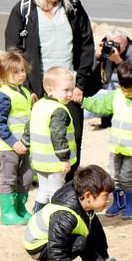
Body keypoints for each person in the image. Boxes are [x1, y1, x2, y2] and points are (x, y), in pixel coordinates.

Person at [4, 0, 94, 180]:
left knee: (72, 137)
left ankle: (70, 184)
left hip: (69, 87)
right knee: (40, 135)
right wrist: (26, 87)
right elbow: (13, 52)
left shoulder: (73, 8)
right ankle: (39, 180)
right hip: (38, 87)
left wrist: (80, 83)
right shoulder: (23, 10)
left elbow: (86, 46)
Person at [23, 164, 132, 261]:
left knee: (91, 225)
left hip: (53, 241)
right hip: (40, 246)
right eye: (105, 197)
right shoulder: (65, 215)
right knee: (79, 241)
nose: (108, 201)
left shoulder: (83, 203)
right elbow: (56, 251)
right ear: (88, 196)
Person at [80, 61, 132, 219]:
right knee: (114, 177)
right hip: (116, 146)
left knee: (126, 177)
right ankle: (118, 201)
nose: (127, 92)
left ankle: (130, 203)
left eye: (130, 90)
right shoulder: (117, 95)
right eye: (124, 88)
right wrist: (83, 101)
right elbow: (99, 106)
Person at [0, 49, 34, 225]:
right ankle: (8, 213)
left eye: (22, 70)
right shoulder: (2, 95)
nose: (21, 75)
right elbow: (0, 123)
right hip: (7, 147)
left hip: (24, 144)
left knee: (26, 176)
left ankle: (20, 209)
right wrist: (14, 143)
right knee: (9, 178)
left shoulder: (24, 92)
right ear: (3, 74)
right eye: (15, 72)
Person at [22, 67, 76, 212]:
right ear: (50, 89)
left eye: (72, 89)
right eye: (66, 90)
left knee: (43, 190)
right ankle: (54, 218)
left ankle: (38, 214)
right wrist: (64, 159)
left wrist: (25, 143)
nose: (70, 94)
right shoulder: (58, 110)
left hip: (40, 160)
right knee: (56, 192)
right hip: (55, 162)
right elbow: (58, 136)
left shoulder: (39, 104)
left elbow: (29, 126)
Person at [85, 26, 132, 129]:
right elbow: (86, 71)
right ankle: (106, 115)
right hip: (103, 89)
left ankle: (109, 115)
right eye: (111, 43)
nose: (114, 48)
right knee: (85, 114)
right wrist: (95, 57)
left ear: (126, 43)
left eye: (118, 44)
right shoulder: (103, 49)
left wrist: (118, 61)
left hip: (124, 91)